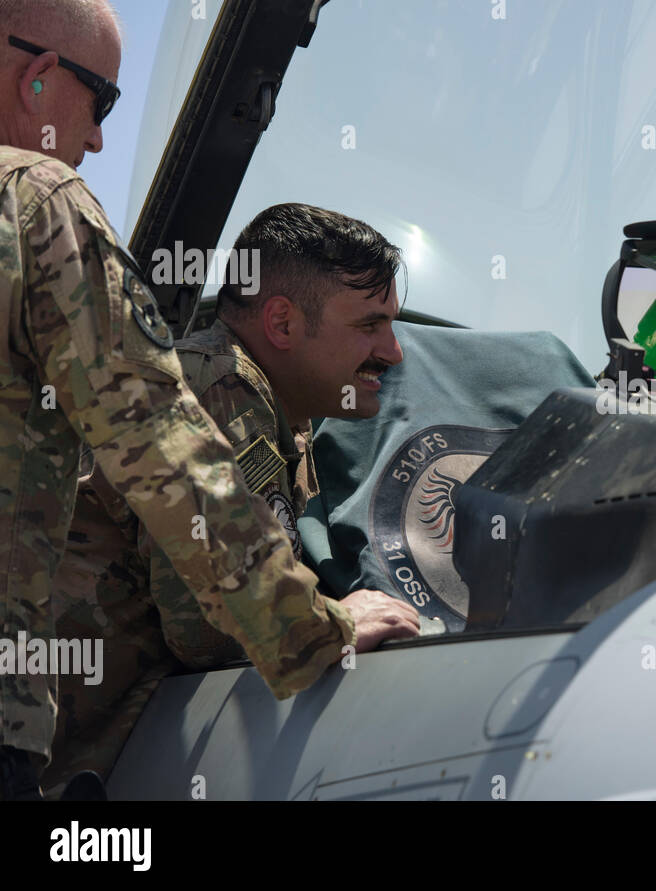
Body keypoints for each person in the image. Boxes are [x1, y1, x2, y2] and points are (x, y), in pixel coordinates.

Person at [0, 0, 416, 800]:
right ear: (42, 81)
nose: (94, 141)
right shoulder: (37, 201)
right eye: (102, 101)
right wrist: (311, 627)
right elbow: (160, 448)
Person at [45, 203, 417, 791]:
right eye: (370, 325)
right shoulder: (219, 388)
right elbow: (209, 631)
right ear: (283, 324)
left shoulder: (277, 413)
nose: (394, 352)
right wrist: (336, 623)